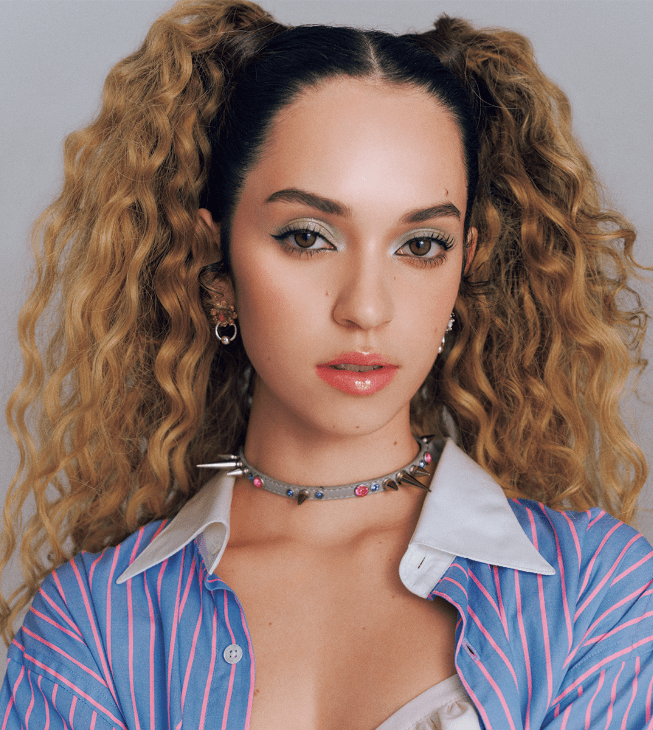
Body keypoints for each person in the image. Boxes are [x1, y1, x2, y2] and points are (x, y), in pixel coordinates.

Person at [1, 0, 651, 727]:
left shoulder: (597, 594)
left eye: (421, 246)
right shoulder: (89, 625)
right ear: (215, 263)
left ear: (464, 264)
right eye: (308, 237)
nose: (365, 308)